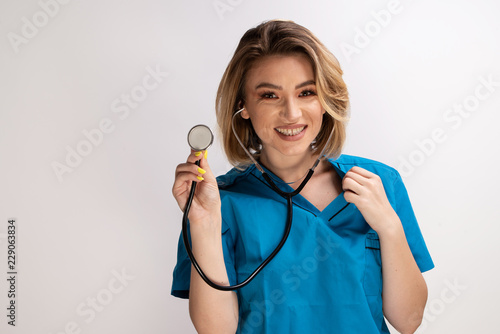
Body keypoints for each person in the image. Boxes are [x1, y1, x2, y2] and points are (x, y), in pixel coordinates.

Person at [171, 19, 434, 334]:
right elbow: (217, 331)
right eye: (270, 95)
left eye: (307, 92)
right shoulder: (216, 202)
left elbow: (409, 321)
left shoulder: (380, 182)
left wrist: (389, 227)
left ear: (325, 101)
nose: (291, 113)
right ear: (244, 107)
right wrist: (203, 223)